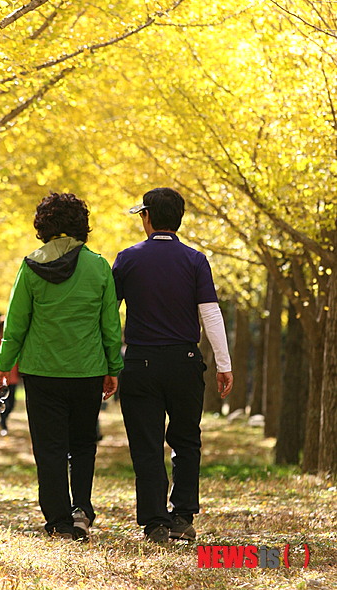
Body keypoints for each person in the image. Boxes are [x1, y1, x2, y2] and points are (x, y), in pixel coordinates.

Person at [0, 192, 123, 541]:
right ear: (81, 224)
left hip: (41, 371)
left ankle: (58, 522)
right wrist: (114, 366)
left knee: (49, 448)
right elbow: (110, 324)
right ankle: (81, 509)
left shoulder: (30, 265)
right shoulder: (97, 266)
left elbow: (16, 323)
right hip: (87, 370)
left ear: (43, 225)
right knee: (83, 443)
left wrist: (4, 364)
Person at [112, 187, 233, 544]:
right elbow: (210, 313)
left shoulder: (128, 258)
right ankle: (182, 515)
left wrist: (106, 361)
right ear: (178, 219)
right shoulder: (195, 260)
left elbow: (107, 313)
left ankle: (154, 522)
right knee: (186, 440)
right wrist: (223, 364)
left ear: (146, 217)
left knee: (146, 443)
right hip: (185, 361)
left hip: (140, 363)